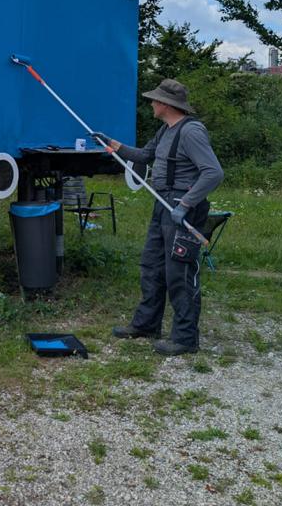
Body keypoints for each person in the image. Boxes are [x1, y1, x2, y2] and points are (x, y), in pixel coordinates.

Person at [95, 79, 223, 356]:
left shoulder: (191, 132)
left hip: (182, 208)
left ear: (166, 104)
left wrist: (186, 203)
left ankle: (185, 338)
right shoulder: (166, 130)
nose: (151, 103)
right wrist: (111, 143)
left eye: (155, 100)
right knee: (152, 266)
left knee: (179, 273)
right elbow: (144, 155)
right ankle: (146, 324)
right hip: (162, 205)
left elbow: (213, 172)